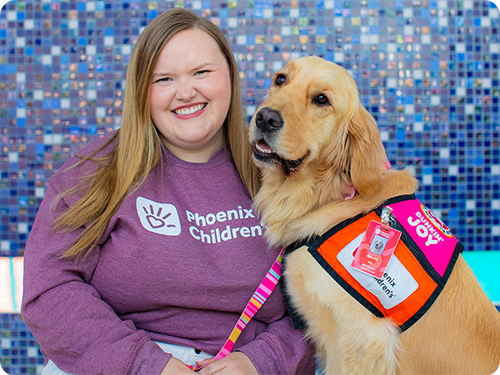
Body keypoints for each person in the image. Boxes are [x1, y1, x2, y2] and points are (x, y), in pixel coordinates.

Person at [21, 7, 316, 375]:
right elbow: (48, 291)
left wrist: (261, 361)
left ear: (230, 76)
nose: (185, 91)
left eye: (202, 72)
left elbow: (332, 295)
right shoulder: (93, 172)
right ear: (142, 90)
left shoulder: (289, 173)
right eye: (163, 79)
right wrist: (147, 366)